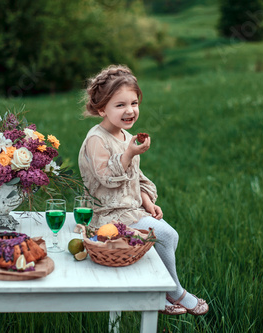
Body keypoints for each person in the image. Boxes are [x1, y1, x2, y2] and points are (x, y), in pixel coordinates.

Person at [78, 64, 209, 316]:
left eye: (134, 103)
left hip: (130, 208)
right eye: (120, 105)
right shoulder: (97, 139)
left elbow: (135, 178)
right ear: (101, 108)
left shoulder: (126, 136)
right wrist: (128, 153)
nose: (130, 111)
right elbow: (107, 178)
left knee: (168, 238)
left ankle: (157, 293)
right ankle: (174, 291)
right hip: (108, 213)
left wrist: (147, 202)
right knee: (167, 236)